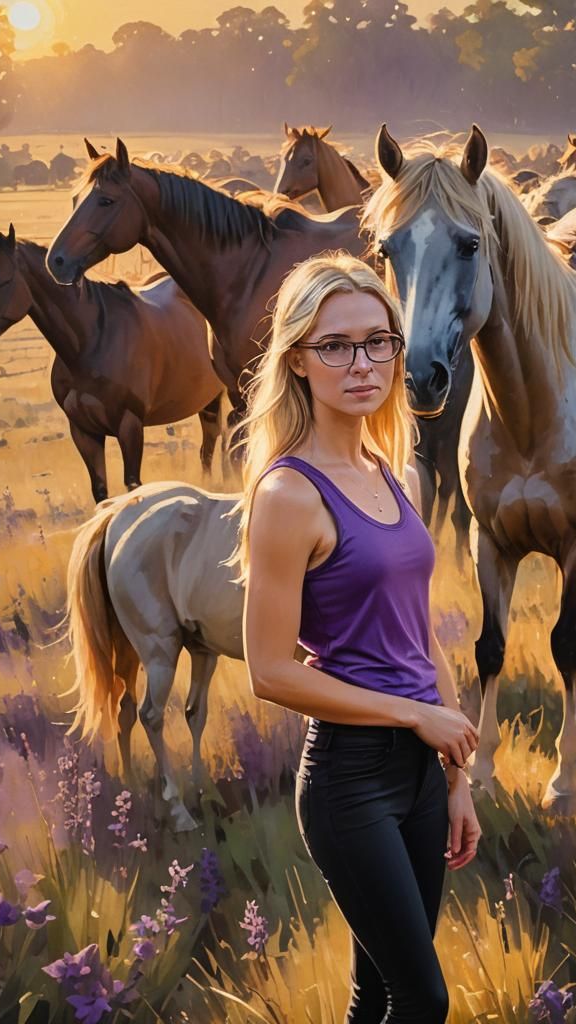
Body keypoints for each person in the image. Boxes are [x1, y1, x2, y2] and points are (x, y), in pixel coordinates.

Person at [228, 250, 481, 1023]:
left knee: (377, 995)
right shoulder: (288, 494)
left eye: (378, 341)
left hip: (424, 774)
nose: (362, 363)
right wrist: (413, 716)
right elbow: (269, 671)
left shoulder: (388, 469)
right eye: (336, 346)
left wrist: (457, 773)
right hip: (351, 780)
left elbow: (419, 634)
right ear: (299, 360)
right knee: (423, 998)